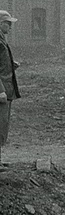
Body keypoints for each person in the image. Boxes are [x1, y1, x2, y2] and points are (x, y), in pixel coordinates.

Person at [0, 10, 20, 172]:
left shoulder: (2, 40)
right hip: (2, 91)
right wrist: (0, 90)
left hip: (6, 89)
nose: (10, 27)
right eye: (8, 23)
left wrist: (11, 65)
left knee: (3, 124)